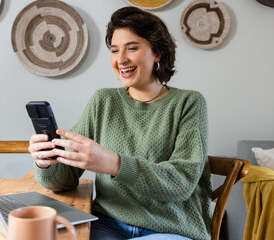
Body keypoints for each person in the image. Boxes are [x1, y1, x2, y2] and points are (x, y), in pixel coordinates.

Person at [28, 6, 211, 240]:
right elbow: (62, 181)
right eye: (114, 50)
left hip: (169, 228)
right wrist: (46, 161)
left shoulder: (189, 102)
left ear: (158, 53)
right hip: (109, 224)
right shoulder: (103, 101)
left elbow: (182, 182)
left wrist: (114, 164)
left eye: (132, 48)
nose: (121, 59)